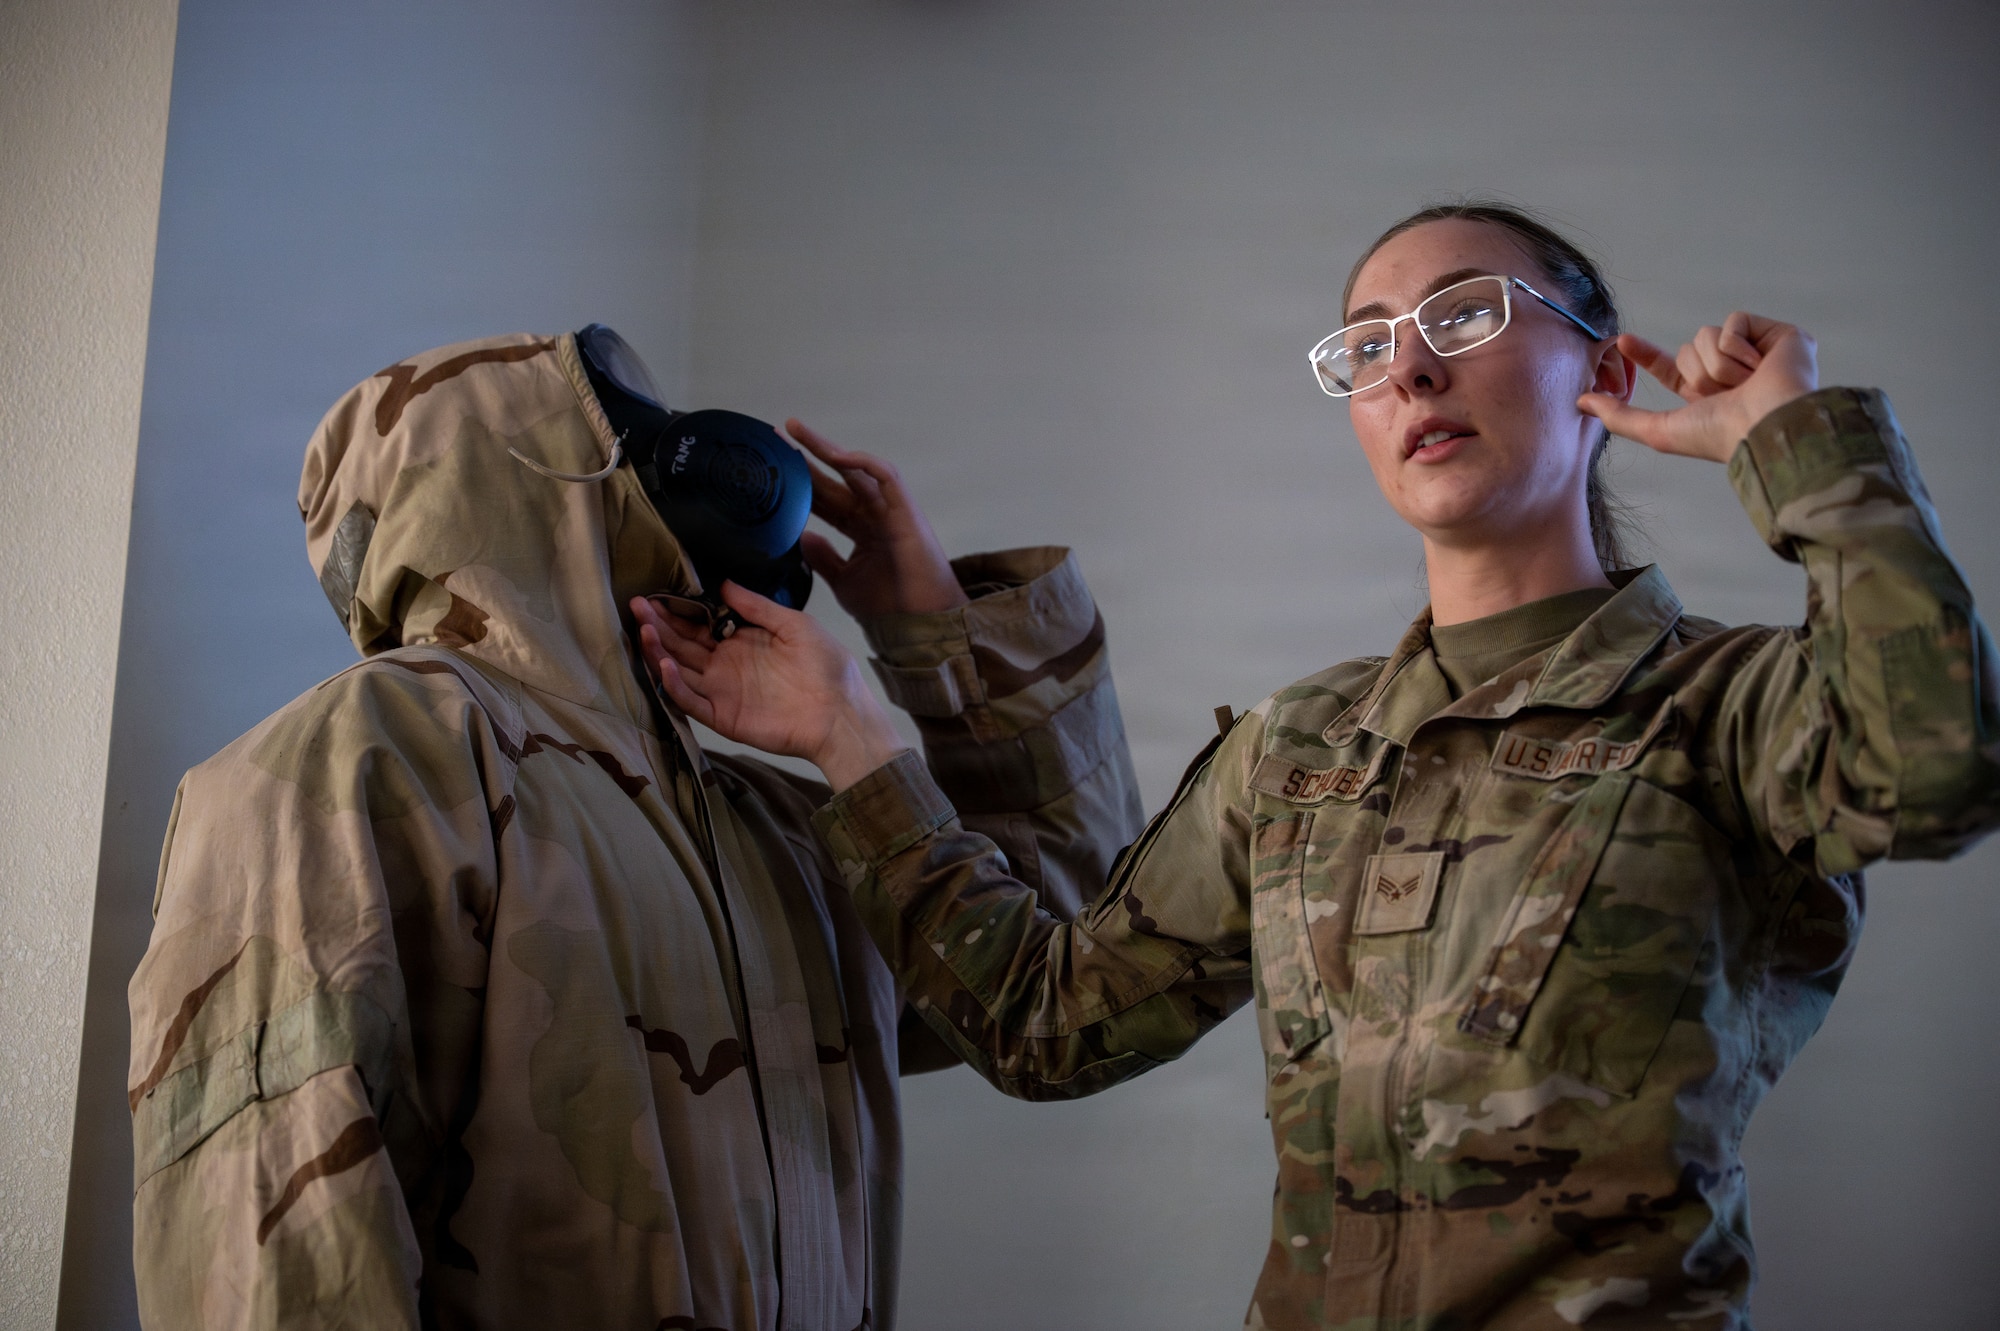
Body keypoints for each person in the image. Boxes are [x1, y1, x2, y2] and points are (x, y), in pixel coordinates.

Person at [632, 203, 2000, 1328]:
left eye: (1464, 315)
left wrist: (1789, 441)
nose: (1408, 370)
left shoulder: (1725, 704)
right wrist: (853, 728)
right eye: (1365, 345)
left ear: (1606, 372)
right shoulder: (1299, 750)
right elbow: (1047, 1025)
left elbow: (1942, 762)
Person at [125, 327, 1142, 1329]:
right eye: (628, 431)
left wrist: (933, 632)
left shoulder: (784, 829)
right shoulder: (363, 757)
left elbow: (1061, 967)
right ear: (549, 473)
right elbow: (268, 1245)